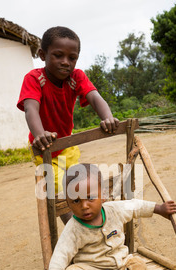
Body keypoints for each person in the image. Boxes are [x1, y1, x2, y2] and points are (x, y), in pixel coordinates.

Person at [42, 163, 176, 270]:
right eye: (76, 201)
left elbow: (135, 206)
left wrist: (159, 208)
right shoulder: (73, 229)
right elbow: (60, 255)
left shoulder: (114, 209)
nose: (84, 206)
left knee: (137, 262)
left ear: (103, 194)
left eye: (90, 198)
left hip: (121, 265)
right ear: (68, 203)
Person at [17, 26, 119, 222]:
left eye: (72, 58)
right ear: (42, 54)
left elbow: (95, 97)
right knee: (57, 189)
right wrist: (40, 134)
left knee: (76, 184)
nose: (65, 62)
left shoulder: (76, 77)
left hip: (68, 145)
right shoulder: (34, 78)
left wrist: (108, 117)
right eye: (58, 55)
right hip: (44, 148)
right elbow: (31, 108)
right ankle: (75, 229)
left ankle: (92, 225)